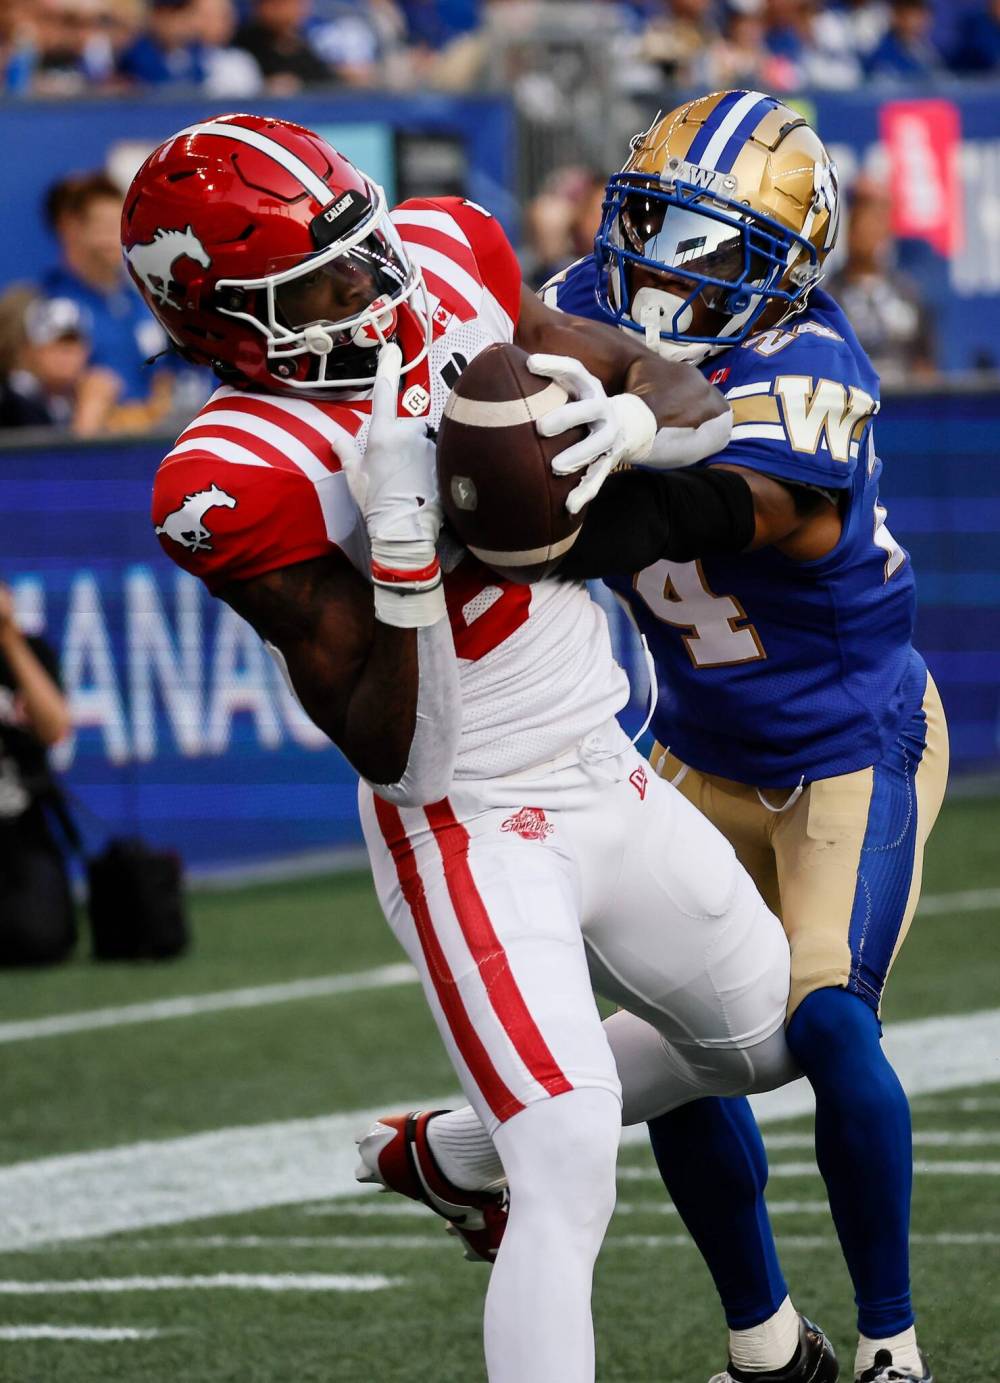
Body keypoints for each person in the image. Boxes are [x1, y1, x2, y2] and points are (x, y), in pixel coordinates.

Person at [128, 112, 803, 1383]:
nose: (373, 288)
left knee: (770, 1038)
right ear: (223, 318)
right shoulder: (233, 474)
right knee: (570, 1157)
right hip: (468, 821)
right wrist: (395, 542)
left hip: (599, 755)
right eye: (320, 283)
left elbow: (667, 384)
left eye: (364, 245)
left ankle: (451, 1152)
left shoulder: (439, 251)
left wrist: (640, 427)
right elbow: (403, 756)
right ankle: (507, 1154)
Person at [386, 91, 947, 1383]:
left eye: (718, 247)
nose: (667, 270)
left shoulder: (813, 370)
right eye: (656, 224)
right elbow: (494, 353)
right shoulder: (584, 298)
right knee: (692, 1037)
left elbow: (695, 513)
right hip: (695, 736)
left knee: (826, 1027)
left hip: (845, 745)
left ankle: (891, 1350)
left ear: (791, 262)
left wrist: (508, 519)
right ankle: (765, 1345)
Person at [42, 171, 179, 434]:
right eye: (102, 227)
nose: (112, 238)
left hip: (152, 445)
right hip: (95, 454)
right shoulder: (55, 307)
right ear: (73, 230)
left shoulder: (145, 302)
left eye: (119, 225)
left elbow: (166, 377)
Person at [0, 581, 75, 967]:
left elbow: (55, 727)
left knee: (41, 941)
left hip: (19, 828)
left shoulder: (28, 650)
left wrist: (8, 637)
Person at [826, 175, 936, 385]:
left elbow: (926, 366)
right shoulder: (829, 298)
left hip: (905, 410)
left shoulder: (908, 294)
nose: (869, 229)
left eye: (878, 218)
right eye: (862, 217)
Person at [0, 290, 92, 429]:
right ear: (29, 350)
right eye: (55, 343)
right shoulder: (11, 402)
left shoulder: (71, 399)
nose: (66, 354)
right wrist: (91, 411)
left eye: (72, 343)